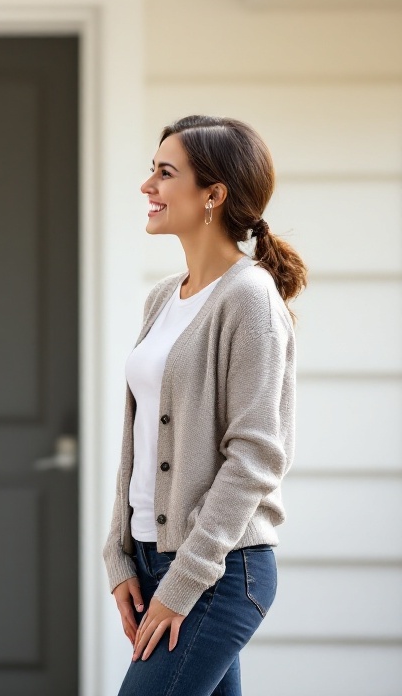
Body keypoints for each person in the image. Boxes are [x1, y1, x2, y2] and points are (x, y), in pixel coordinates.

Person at [103, 115, 306, 695]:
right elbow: (137, 440)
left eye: (165, 174)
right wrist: (120, 556)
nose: (148, 187)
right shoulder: (163, 298)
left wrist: (185, 579)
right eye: (152, 171)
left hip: (217, 570)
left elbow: (257, 457)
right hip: (151, 560)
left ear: (213, 195)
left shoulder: (250, 299)